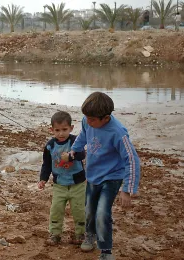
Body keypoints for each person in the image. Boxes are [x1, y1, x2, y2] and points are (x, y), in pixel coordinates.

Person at [70, 92, 141, 260]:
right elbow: (83, 136)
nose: (88, 121)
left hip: (112, 177)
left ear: (106, 117)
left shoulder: (118, 132)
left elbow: (132, 159)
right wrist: (74, 150)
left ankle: (106, 250)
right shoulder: (88, 121)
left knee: (102, 212)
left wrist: (127, 189)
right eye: (86, 117)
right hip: (93, 174)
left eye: (92, 119)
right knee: (89, 210)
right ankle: (90, 234)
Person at [38, 111, 86, 246]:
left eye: (64, 129)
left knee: (79, 210)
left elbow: (82, 154)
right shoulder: (50, 146)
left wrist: (71, 156)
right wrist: (43, 179)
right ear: (51, 130)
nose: (61, 133)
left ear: (71, 128)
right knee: (56, 210)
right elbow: (46, 164)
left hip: (78, 184)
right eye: (57, 130)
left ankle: (80, 234)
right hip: (59, 184)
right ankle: (55, 234)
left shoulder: (75, 141)